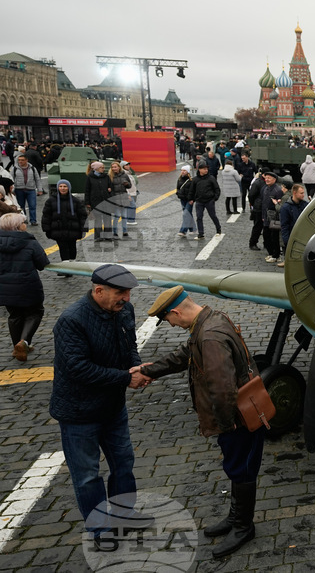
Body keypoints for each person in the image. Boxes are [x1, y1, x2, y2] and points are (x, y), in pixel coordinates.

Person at [140, 287, 264, 558]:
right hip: (238, 416)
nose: (171, 325)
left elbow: (222, 388)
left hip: (237, 418)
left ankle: (244, 527)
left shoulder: (208, 336)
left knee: (241, 469)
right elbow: (184, 355)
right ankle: (236, 518)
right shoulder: (210, 320)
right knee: (237, 468)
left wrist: (226, 424)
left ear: (175, 312)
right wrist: (148, 370)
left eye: (168, 320)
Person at [50, 265, 149, 551]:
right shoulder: (71, 320)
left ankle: (123, 516)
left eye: (129, 292)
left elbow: (129, 344)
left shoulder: (124, 311)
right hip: (78, 414)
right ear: (98, 291)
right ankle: (101, 530)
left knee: (123, 464)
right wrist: (125, 377)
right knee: (87, 476)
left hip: (112, 408)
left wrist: (135, 364)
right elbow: (79, 369)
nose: (127, 298)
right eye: (121, 293)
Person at [1, 212, 48, 361]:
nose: (25, 224)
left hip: (5, 287)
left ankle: (18, 346)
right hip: (28, 286)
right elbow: (42, 264)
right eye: (23, 222)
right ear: (17, 226)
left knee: (15, 315)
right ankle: (24, 342)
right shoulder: (30, 242)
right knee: (34, 312)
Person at [42, 180, 89, 261]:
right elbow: (46, 215)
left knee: (72, 247)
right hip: (58, 229)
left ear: (69, 188)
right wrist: (47, 229)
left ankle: (71, 263)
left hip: (73, 229)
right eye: (60, 186)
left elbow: (82, 215)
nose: (62, 188)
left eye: (65, 186)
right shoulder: (51, 201)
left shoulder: (76, 201)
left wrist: (84, 228)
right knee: (63, 248)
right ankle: (66, 266)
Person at [278, 184, 308, 268]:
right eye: (301, 193)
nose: (303, 195)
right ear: (294, 193)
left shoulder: (305, 205)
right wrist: (287, 241)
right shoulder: (286, 208)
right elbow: (284, 226)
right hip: (292, 236)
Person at [190, 162, 222, 239]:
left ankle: (218, 229)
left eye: (207, 169)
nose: (206, 170)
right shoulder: (195, 180)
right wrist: (191, 199)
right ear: (199, 170)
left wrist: (215, 198)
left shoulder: (211, 178)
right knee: (199, 217)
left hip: (209, 200)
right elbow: (192, 190)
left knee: (213, 216)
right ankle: (201, 234)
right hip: (199, 201)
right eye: (204, 169)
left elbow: (217, 189)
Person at [85, 161, 113, 242]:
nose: (103, 169)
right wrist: (87, 203)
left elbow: (110, 186)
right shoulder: (90, 177)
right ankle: (98, 236)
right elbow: (87, 191)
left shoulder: (106, 177)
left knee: (107, 219)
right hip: (95, 202)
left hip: (106, 201)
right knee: (98, 220)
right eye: (102, 167)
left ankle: (108, 236)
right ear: (96, 168)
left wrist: (110, 190)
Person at [12, 153, 42, 225]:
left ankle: (33, 220)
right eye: (19, 160)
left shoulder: (32, 168)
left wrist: (40, 189)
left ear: (26, 160)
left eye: (22, 160)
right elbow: (11, 179)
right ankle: (23, 219)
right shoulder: (15, 168)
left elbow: (37, 179)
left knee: (32, 206)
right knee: (21, 206)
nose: (20, 162)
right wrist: (12, 190)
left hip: (31, 189)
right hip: (19, 189)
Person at [260, 172, 284, 262]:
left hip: (274, 218)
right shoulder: (265, 188)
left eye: (269, 178)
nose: (267, 179)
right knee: (266, 236)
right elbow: (263, 204)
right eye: (266, 178)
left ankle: (276, 255)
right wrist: (263, 216)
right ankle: (271, 253)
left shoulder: (277, 191)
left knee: (274, 237)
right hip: (266, 217)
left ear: (274, 179)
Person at [108, 161, 131, 238]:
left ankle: (125, 232)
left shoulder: (124, 175)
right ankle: (115, 232)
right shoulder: (110, 176)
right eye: (112, 167)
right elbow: (108, 188)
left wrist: (127, 184)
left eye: (115, 167)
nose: (114, 168)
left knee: (124, 216)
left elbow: (129, 186)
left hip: (123, 197)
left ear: (119, 167)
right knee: (117, 216)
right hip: (115, 198)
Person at [176, 165, 196, 238]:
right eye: (181, 170)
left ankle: (183, 231)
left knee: (186, 214)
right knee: (188, 214)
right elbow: (178, 188)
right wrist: (178, 194)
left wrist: (193, 199)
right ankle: (193, 229)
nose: (182, 172)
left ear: (188, 172)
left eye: (184, 170)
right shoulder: (179, 179)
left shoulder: (191, 180)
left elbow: (194, 191)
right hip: (182, 199)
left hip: (189, 200)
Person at [120, 160, 139, 225]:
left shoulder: (128, 173)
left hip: (133, 192)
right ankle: (130, 220)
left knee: (129, 206)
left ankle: (127, 219)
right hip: (128, 193)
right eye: (126, 165)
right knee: (132, 205)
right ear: (122, 166)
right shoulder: (124, 174)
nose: (128, 166)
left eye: (128, 165)